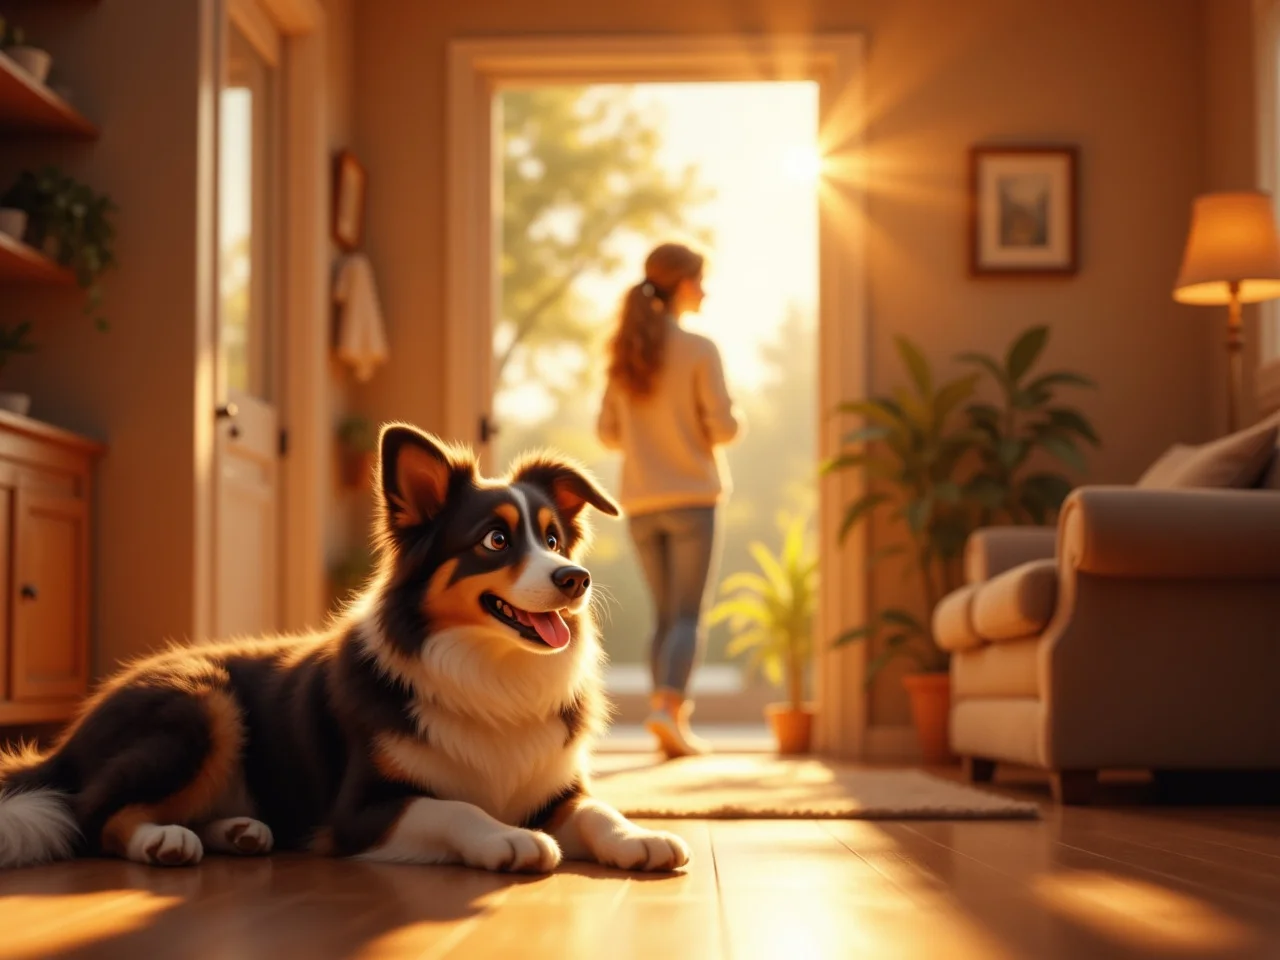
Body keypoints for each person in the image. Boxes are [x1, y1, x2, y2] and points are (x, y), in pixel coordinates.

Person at [596, 242, 743, 759]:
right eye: (700, 280)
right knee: (686, 617)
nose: (705, 290)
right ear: (681, 284)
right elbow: (723, 426)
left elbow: (608, 433)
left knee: (663, 617)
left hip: (639, 503)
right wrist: (723, 422)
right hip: (693, 499)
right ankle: (668, 710)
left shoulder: (624, 354)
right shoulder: (700, 349)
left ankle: (664, 716)